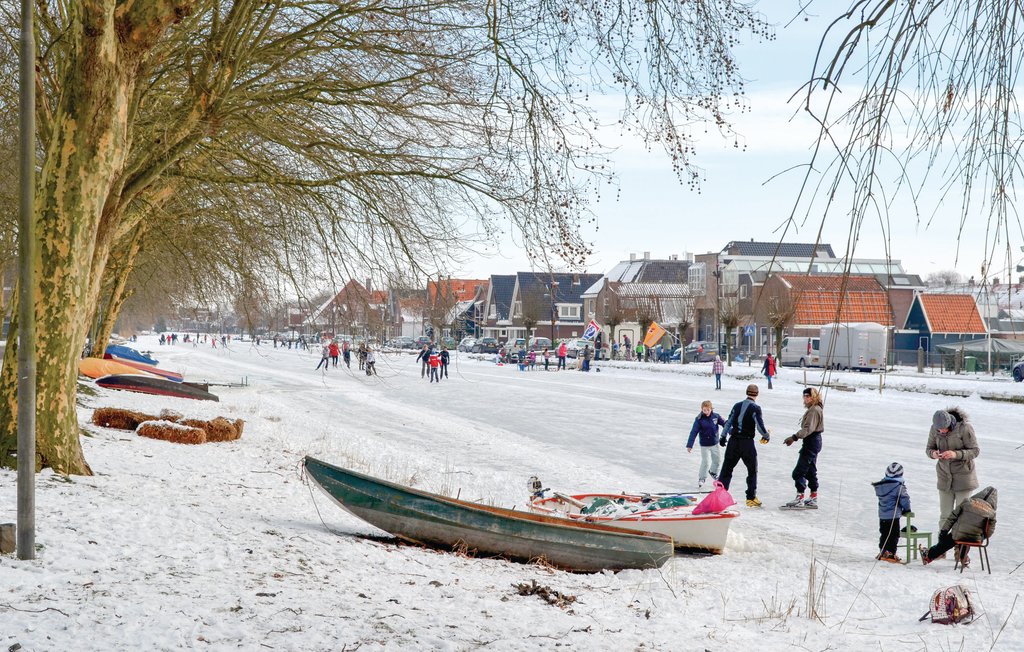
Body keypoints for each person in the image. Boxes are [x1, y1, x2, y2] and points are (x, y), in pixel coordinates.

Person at [926, 407, 979, 532]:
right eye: (939, 429)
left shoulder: (964, 428)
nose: (941, 431)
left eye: (944, 428)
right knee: (945, 515)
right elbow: (928, 448)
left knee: (962, 516)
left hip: (964, 478)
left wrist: (956, 454)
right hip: (944, 477)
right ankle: (941, 548)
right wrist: (933, 454)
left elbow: (975, 451)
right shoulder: (934, 429)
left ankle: (960, 550)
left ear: (950, 422)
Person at [718, 384, 770, 507]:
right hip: (747, 443)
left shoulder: (737, 405)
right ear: (757, 394)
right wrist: (766, 435)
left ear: (746, 392)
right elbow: (760, 425)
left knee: (727, 469)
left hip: (733, 441)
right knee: (752, 470)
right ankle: (750, 498)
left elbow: (728, 422)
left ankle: (719, 495)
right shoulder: (755, 408)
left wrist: (723, 436)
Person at [920, 486, 997, 567]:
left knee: (955, 536)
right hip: (976, 538)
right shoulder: (991, 513)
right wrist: (982, 537)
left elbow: (952, 517)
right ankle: (964, 558)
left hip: (958, 535)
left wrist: (944, 531)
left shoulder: (967, 502)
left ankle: (929, 555)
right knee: (967, 535)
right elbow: (990, 530)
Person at [783, 387, 825, 508]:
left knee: (798, 472)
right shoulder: (816, 408)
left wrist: (794, 437)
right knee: (811, 470)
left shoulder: (814, 410)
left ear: (814, 396)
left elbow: (808, 429)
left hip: (811, 442)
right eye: (804, 396)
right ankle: (813, 496)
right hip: (814, 441)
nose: (806, 398)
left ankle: (800, 497)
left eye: (808, 396)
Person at [872, 462, 912, 563]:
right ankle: (890, 553)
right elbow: (905, 499)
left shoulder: (881, 486)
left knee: (884, 533)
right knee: (893, 534)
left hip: (882, 515)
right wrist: (907, 509)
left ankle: (883, 551)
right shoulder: (898, 487)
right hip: (893, 515)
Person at [686, 400, 726, 487]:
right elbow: (693, 432)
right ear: (702, 409)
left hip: (714, 443)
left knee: (717, 460)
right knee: (706, 462)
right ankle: (702, 478)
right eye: (704, 410)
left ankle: (713, 472)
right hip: (704, 445)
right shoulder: (699, 419)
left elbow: (725, 424)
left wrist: (731, 430)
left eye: (708, 410)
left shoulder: (716, 416)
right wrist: (690, 445)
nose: (706, 412)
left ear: (711, 409)